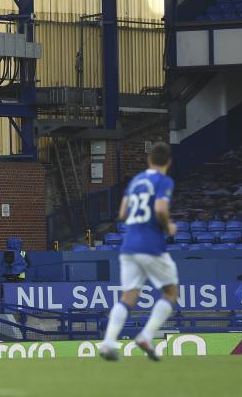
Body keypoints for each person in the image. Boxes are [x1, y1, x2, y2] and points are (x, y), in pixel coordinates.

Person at [99, 142, 179, 362]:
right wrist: (167, 226)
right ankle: (145, 336)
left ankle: (107, 343)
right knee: (171, 292)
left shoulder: (135, 181)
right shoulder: (164, 181)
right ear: (169, 161)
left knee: (127, 297)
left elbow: (123, 212)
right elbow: (161, 209)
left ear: (149, 160)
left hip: (128, 246)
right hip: (151, 245)